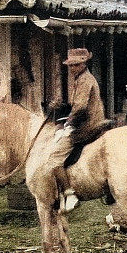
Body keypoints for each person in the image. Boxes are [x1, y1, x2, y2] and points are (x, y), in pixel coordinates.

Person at [54, 48, 106, 212]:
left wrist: (68, 125)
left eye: (76, 65)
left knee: (54, 157)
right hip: (88, 120)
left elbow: (80, 107)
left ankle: (70, 193)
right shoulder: (81, 79)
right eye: (70, 65)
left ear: (84, 64)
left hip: (88, 124)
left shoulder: (84, 80)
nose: (72, 68)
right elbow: (75, 105)